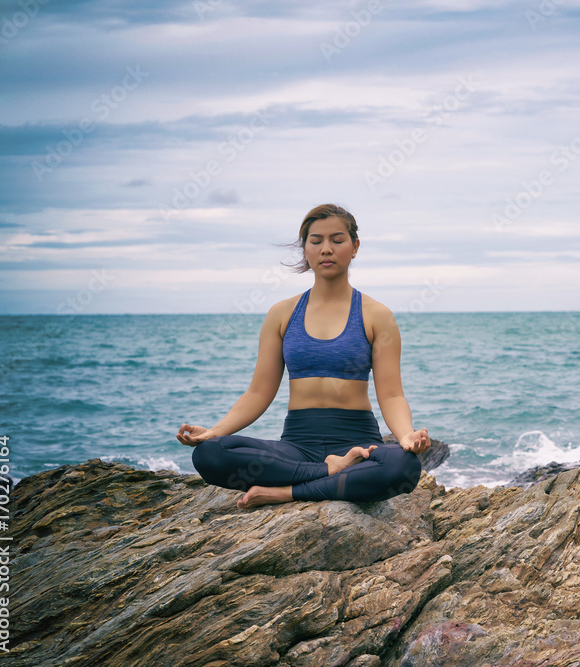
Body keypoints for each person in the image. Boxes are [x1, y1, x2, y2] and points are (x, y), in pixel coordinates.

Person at [177, 204, 430, 509]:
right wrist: (214, 432)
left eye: (337, 240)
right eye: (316, 241)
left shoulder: (376, 315)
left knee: (402, 466)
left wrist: (405, 436)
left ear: (355, 247)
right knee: (210, 454)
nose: (327, 249)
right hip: (297, 445)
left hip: (358, 442)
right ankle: (328, 472)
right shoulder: (282, 314)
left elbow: (390, 394)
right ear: (305, 249)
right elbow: (258, 392)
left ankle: (286, 492)